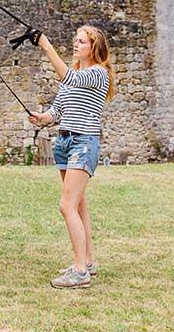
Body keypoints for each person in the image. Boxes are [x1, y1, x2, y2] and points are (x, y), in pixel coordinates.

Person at [28, 26, 116, 289]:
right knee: (78, 205)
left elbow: (68, 78)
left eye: (81, 42)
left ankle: (79, 272)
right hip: (64, 142)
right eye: (75, 40)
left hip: (82, 143)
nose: (76, 44)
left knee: (66, 206)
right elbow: (58, 109)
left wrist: (46, 45)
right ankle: (87, 261)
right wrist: (43, 117)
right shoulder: (75, 74)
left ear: (94, 47)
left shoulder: (98, 73)